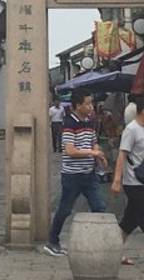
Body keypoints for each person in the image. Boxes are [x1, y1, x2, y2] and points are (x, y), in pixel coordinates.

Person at [44, 89, 107, 257]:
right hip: (72, 175)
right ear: (78, 105)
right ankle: (52, 241)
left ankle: (100, 244)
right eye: (87, 103)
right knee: (65, 209)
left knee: (99, 207)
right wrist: (92, 153)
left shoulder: (90, 121)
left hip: (89, 174)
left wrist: (98, 154)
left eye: (91, 103)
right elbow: (70, 150)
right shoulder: (69, 124)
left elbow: (94, 142)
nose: (91, 106)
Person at [111, 94, 144, 266]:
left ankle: (111, 251)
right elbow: (122, 155)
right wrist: (117, 180)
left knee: (129, 221)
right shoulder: (131, 130)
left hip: (142, 181)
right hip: (133, 182)